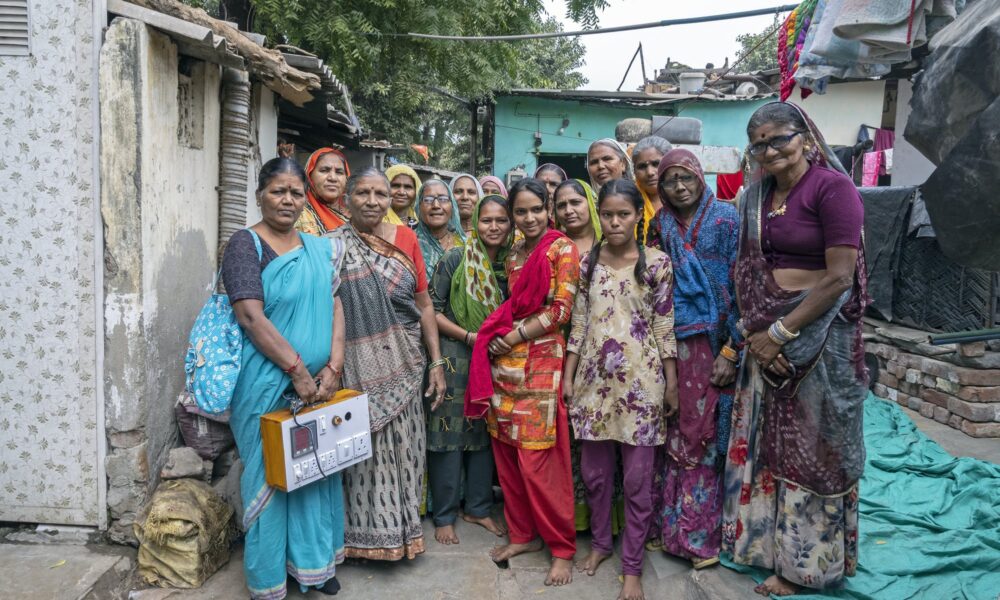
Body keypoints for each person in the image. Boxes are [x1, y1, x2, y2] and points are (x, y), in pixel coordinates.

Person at [721, 102, 868, 596]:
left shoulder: (833, 189)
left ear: (804, 136)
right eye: (759, 144)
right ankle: (765, 548)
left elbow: (840, 278)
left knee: (815, 450)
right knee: (766, 446)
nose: (770, 151)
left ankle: (808, 566)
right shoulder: (754, 196)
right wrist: (757, 337)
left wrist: (780, 335)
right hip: (763, 341)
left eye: (779, 139)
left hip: (821, 342)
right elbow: (744, 269)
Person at [222, 158, 347, 599]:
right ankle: (269, 576)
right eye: (278, 191)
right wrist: (296, 370)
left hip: (318, 383)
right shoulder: (245, 245)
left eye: (296, 192)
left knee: (315, 470)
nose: (288, 200)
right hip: (266, 384)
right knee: (271, 476)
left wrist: (332, 365)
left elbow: (334, 304)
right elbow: (250, 317)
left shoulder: (318, 248)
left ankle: (315, 566)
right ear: (261, 194)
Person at [562, 178, 677, 600]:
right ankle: (601, 547)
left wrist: (672, 382)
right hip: (594, 386)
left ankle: (632, 568)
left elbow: (665, 325)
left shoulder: (658, 263)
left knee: (637, 482)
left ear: (636, 216)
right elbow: (578, 322)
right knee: (594, 477)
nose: (614, 222)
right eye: (607, 214)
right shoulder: (586, 264)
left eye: (623, 214)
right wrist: (569, 375)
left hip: (642, 386)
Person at [328, 167, 449, 561]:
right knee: (361, 453)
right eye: (363, 193)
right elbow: (327, 307)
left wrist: (435, 362)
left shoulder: (406, 238)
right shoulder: (331, 245)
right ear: (347, 199)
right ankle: (361, 539)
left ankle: (405, 534)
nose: (373, 201)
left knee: (408, 448)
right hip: (356, 366)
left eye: (380, 194)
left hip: (405, 361)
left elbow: (424, 303)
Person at [465, 178, 579, 587]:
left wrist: (511, 336)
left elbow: (560, 311)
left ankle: (562, 547)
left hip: (542, 363)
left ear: (548, 209)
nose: (528, 218)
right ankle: (522, 535)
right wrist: (504, 342)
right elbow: (513, 305)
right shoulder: (514, 253)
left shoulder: (562, 248)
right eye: (521, 211)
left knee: (538, 462)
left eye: (535, 210)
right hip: (506, 367)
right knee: (508, 456)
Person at [646, 148, 740, 570]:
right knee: (672, 435)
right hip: (671, 344)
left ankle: (701, 540)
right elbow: (650, 286)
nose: (679, 186)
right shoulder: (659, 224)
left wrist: (731, 348)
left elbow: (745, 284)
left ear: (701, 178)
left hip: (714, 343)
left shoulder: (727, 219)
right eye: (670, 180)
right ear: (661, 187)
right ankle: (668, 531)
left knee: (704, 438)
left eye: (686, 177)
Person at [427, 194, 513, 546]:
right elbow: (431, 310)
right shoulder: (456, 258)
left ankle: (477, 507)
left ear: (510, 225)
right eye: (487, 220)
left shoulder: (511, 264)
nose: (493, 227)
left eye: (501, 220)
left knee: (483, 432)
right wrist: (469, 336)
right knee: (447, 433)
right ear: (474, 222)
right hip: (455, 354)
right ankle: (445, 514)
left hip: (495, 357)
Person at [415, 179, 467, 283]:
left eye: (443, 199)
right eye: (428, 200)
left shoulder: (465, 244)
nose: (436, 205)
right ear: (419, 206)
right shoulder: (410, 243)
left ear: (452, 205)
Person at [295, 147, 351, 235]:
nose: (333, 178)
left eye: (339, 172)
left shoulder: (356, 216)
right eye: (324, 170)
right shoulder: (298, 216)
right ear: (309, 176)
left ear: (346, 178)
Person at [631, 136, 673, 243]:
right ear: (634, 171)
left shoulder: (686, 201)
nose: (650, 172)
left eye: (656, 164)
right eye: (642, 166)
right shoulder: (627, 201)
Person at [553, 179, 602, 256]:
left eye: (575, 202)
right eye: (561, 206)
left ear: (591, 203)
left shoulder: (608, 240)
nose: (568, 211)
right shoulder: (552, 247)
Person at [385, 163, 422, 228]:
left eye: (408, 187)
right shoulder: (376, 222)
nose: (401, 192)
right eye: (395, 186)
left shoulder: (420, 226)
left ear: (416, 191)